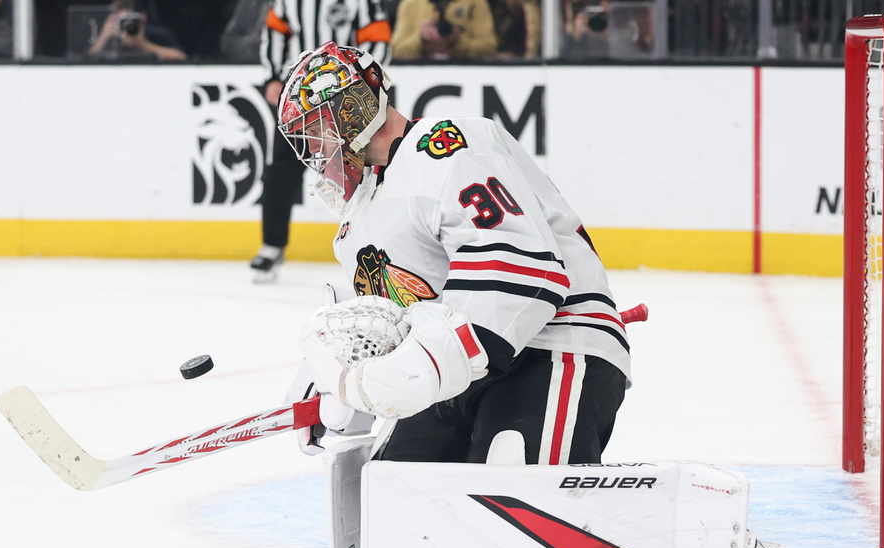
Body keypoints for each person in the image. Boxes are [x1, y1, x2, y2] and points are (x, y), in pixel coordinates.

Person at [281, 42, 629, 467]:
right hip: (461, 371)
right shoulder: (356, 223)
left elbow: (523, 269)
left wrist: (425, 363)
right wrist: (341, 382)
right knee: (393, 489)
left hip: (552, 343)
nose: (316, 150)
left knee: (510, 489)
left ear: (353, 107)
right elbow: (390, 327)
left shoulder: (447, 146)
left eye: (316, 128)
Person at [251, 0, 391, 282]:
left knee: (369, 172)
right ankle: (272, 245)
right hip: (302, 98)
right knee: (281, 170)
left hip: (350, 98)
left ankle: (382, 245)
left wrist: (358, 84)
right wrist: (273, 77)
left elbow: (379, 40)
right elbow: (275, 33)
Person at [391, 0, 497, 60]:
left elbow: (489, 49)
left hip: (464, 72)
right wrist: (420, 38)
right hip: (420, 72)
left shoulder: (475, 3)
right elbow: (396, 52)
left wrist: (458, 42)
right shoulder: (410, 4)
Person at [88, 0, 186, 61]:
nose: (126, 24)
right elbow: (83, 61)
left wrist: (142, 43)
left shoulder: (157, 34)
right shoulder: (103, 33)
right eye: (121, 19)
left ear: (142, 18)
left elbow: (181, 57)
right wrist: (104, 37)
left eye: (130, 18)